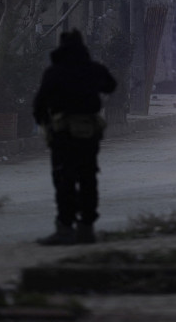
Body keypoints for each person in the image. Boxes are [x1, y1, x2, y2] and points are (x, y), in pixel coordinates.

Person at [33, 30, 117, 246]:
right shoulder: (93, 69)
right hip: (88, 132)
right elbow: (111, 85)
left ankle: (65, 228)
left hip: (63, 133)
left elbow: (39, 104)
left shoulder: (54, 72)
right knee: (88, 178)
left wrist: (45, 123)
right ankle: (86, 228)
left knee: (64, 179)